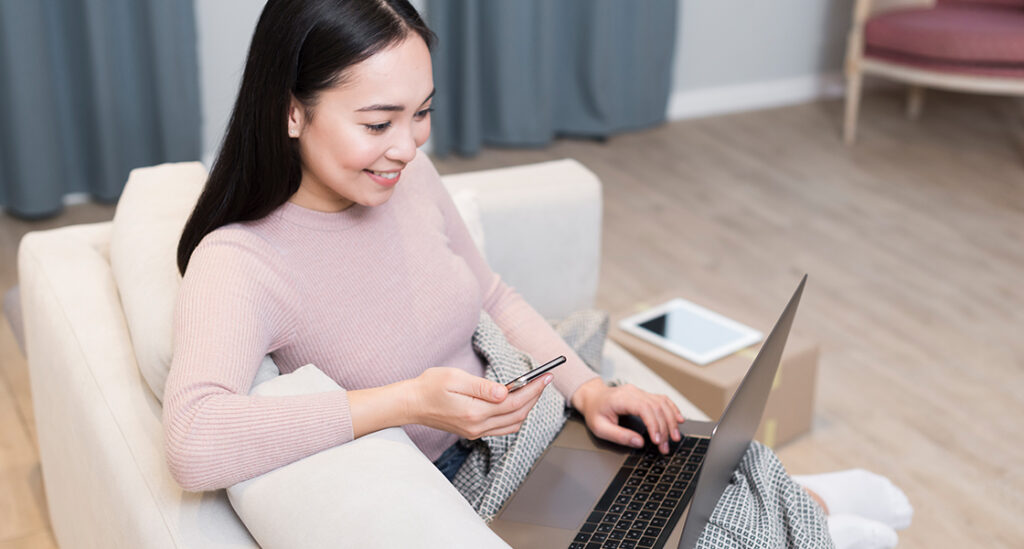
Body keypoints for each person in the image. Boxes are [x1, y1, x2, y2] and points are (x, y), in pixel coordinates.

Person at [163, 1, 912, 547]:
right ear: (291, 112)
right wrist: (405, 401)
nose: (407, 146)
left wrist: (588, 388)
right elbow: (195, 439)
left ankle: (803, 510)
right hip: (473, 479)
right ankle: (812, 523)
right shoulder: (241, 262)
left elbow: (489, 292)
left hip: (535, 415)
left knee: (697, 455)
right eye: (378, 121)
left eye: (421, 113)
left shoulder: (406, 179)